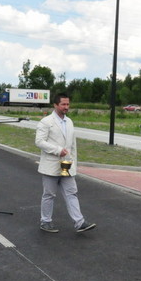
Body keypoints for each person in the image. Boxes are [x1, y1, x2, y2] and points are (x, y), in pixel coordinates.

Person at [35, 93, 96, 233]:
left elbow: (72, 145)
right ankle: (45, 221)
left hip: (67, 165)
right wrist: (57, 150)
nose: (66, 107)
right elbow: (39, 141)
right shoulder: (46, 122)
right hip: (51, 165)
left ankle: (79, 222)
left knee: (72, 193)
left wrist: (73, 163)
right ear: (55, 105)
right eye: (63, 104)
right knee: (49, 194)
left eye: (68, 104)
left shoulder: (69, 122)